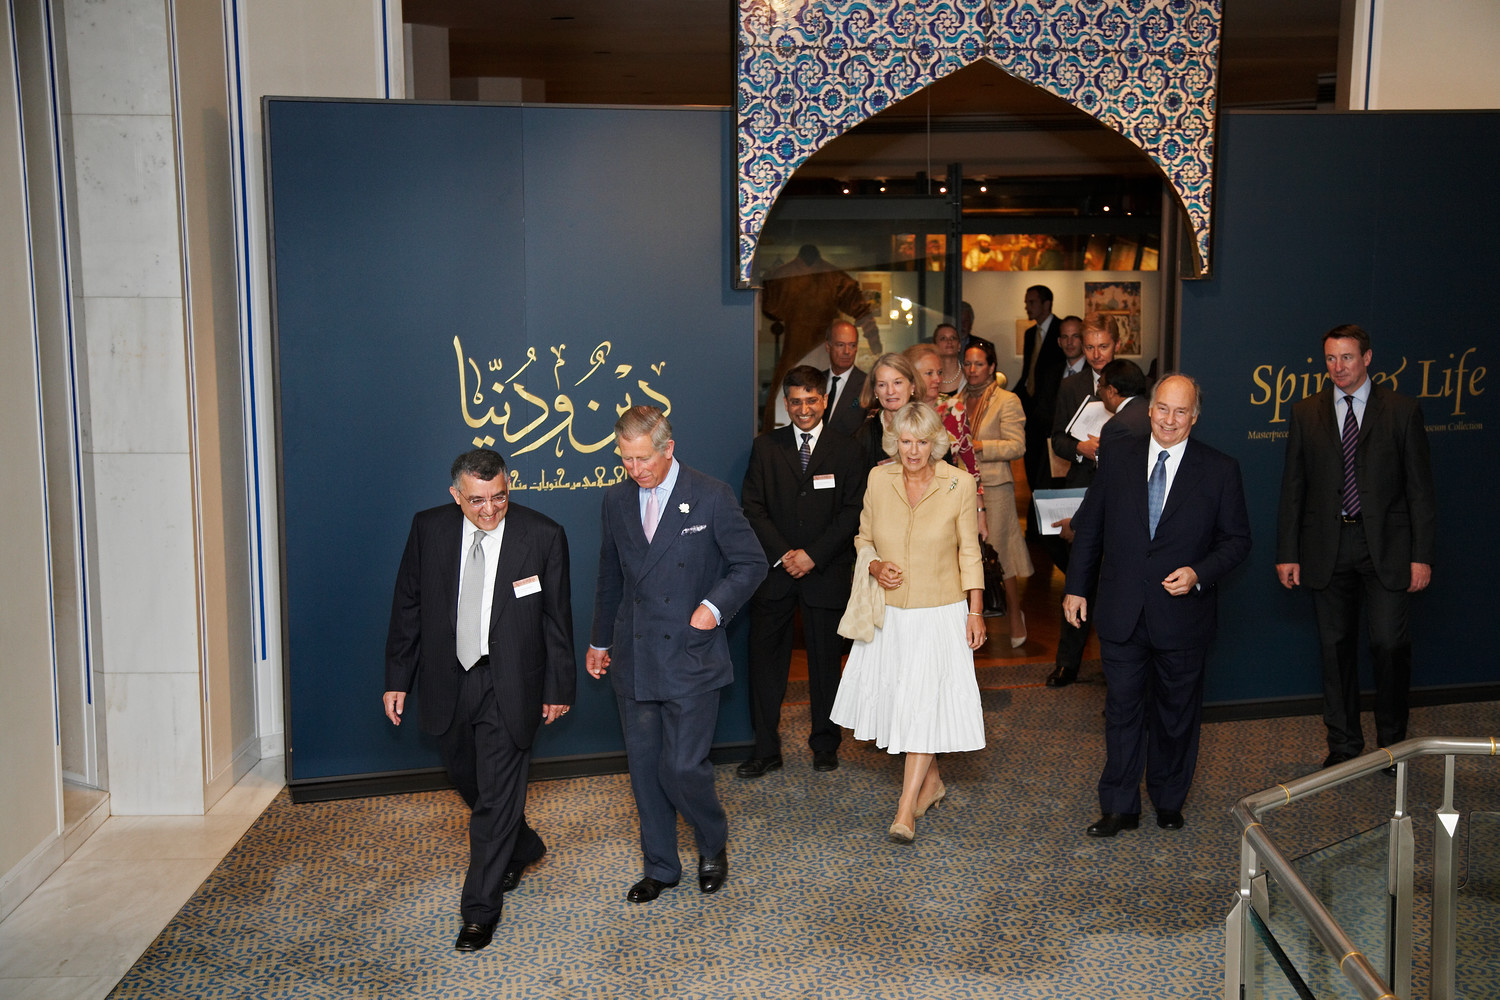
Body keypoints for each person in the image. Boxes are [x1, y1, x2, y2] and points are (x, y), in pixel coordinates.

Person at [383, 449, 575, 952]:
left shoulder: (543, 534)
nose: (489, 510)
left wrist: (559, 687)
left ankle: (479, 910)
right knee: (464, 776)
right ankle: (524, 844)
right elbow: (408, 605)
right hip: (450, 679)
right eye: (476, 500)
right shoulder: (429, 529)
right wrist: (397, 677)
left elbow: (557, 619)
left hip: (511, 682)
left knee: (494, 799)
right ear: (455, 495)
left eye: (499, 497)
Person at [586, 407, 768, 902]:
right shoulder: (616, 500)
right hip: (636, 653)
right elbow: (610, 577)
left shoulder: (710, 495)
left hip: (690, 654)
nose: (635, 470)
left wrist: (712, 608)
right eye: (625, 460)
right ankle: (661, 867)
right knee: (645, 769)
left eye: (643, 459)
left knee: (683, 767)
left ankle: (712, 843)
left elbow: (751, 564)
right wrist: (601, 640)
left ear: (668, 448)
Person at [1064, 375, 1251, 836]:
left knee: (1175, 714)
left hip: (1181, 616)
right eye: (1163, 409)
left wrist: (1198, 573)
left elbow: (1237, 541)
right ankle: (1119, 806)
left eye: (1181, 412)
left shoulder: (1220, 469)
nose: (1170, 420)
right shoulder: (1118, 459)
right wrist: (1076, 588)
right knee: (1122, 711)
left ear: (1195, 416)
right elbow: (1090, 529)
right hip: (1121, 610)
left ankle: (1169, 799)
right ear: (1150, 410)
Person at [1275, 324, 1436, 769]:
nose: (1337, 367)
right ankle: (1344, 745)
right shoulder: (1306, 412)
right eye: (1329, 358)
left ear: (1367, 358)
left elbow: (1421, 490)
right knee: (1335, 648)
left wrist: (1421, 555)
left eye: (1346, 357)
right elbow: (1294, 487)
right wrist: (1288, 552)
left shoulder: (1402, 411)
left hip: (1387, 547)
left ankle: (1391, 746)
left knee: (1388, 644)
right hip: (1326, 547)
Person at [831, 401, 987, 843]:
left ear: (936, 442)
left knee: (920, 708)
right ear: (893, 441)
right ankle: (932, 784)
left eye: (921, 442)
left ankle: (905, 810)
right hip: (892, 614)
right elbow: (863, 536)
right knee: (909, 703)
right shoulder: (879, 479)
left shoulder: (959, 483)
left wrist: (975, 611)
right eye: (905, 441)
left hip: (941, 611)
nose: (913, 451)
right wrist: (875, 564)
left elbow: (969, 553)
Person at [739, 366, 866, 777]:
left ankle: (826, 743)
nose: (804, 408)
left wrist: (813, 555)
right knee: (764, 664)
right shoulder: (766, 447)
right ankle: (765, 748)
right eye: (796, 401)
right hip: (774, 575)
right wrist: (784, 554)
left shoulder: (847, 449)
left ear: (824, 401)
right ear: (786, 404)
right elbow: (752, 507)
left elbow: (853, 511)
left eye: (811, 400)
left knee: (826, 663)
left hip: (824, 572)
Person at [1043, 316, 1119, 687]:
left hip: (1121, 493)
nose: (1096, 354)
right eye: (1090, 347)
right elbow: (1056, 437)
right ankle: (1067, 663)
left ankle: (1115, 664)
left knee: (1115, 583)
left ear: (1117, 345)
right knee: (1078, 575)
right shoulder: (1071, 385)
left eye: (1103, 346)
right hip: (1082, 487)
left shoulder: (1135, 382)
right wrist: (1080, 449)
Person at [761, 244, 882, 431]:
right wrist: (875, 342)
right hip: (797, 352)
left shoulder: (830, 278)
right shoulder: (793, 276)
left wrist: (874, 341)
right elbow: (769, 306)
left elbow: (861, 310)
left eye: (851, 345)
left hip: (816, 354)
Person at [960, 337, 1033, 647]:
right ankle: (972, 622)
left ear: (992, 367)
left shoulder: (1007, 400)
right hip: (961, 488)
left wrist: (978, 447)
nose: (972, 369)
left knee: (999, 556)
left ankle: (1015, 615)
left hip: (995, 487)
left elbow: (1017, 446)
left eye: (979, 363)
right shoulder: (955, 399)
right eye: (968, 363)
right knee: (966, 555)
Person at [907, 343, 988, 543]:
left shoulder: (953, 409)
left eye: (939, 372)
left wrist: (980, 512)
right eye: (929, 373)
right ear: (911, 377)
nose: (938, 379)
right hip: (906, 507)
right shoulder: (898, 413)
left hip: (947, 506)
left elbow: (971, 465)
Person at [1016, 286, 1065, 494]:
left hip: (1052, 413)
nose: (1027, 307)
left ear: (1046, 304)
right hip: (1031, 411)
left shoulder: (1062, 330)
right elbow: (1028, 373)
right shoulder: (1029, 334)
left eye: (1032, 302)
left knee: (1049, 475)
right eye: (1026, 302)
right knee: (1032, 470)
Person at [856, 351, 922, 470]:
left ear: (912, 386)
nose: (890, 391)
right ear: (875, 391)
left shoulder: (931, 428)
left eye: (897, 383)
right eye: (882, 385)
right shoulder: (863, 437)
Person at [821, 320, 869, 437]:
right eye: (840, 345)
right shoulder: (815, 381)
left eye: (852, 345)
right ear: (828, 346)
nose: (847, 352)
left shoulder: (868, 385)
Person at [932, 323, 967, 397]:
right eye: (943, 338)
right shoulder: (927, 379)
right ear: (935, 346)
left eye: (953, 338)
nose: (949, 341)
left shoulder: (968, 377)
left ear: (959, 346)